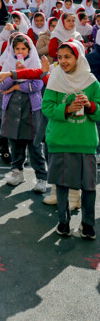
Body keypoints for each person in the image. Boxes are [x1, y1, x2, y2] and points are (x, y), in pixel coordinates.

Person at [42, 41, 100, 239]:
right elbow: (47, 107)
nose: (63, 61)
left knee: (89, 187)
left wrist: (90, 106)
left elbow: (99, 111)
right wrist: (67, 109)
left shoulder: (92, 82)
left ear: (78, 57)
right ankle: (63, 222)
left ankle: (88, 225)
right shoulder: (55, 79)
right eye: (60, 57)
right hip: (60, 141)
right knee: (62, 185)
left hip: (85, 142)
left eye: (68, 56)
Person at [0, 34, 48, 191]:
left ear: (29, 49)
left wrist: (18, 84)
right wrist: (14, 75)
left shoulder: (35, 62)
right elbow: (1, 85)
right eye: (17, 48)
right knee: (15, 141)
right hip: (12, 108)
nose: (20, 51)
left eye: (24, 48)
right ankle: (17, 172)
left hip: (31, 109)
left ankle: (41, 177)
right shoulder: (8, 63)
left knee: (35, 144)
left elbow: (38, 85)